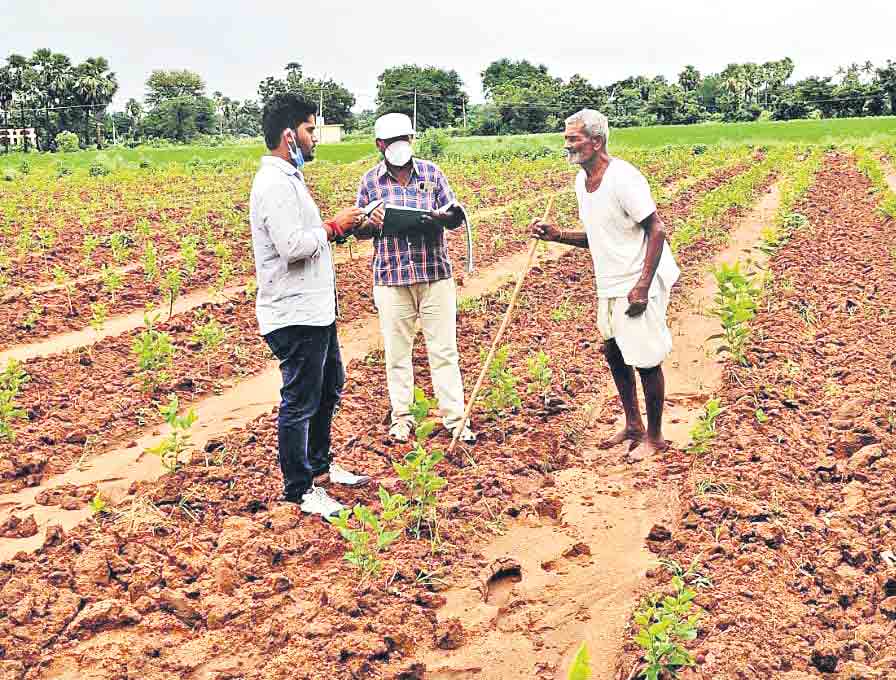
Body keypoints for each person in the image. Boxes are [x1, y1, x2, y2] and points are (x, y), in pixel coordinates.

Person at [531, 109, 680, 461]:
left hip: (637, 278)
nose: (567, 145)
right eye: (566, 138)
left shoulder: (623, 178)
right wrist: (557, 235)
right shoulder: (582, 182)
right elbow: (599, 237)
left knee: (645, 359)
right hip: (611, 280)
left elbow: (656, 229)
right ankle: (633, 424)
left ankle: (655, 437)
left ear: (596, 142)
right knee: (614, 352)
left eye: (574, 139)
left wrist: (643, 286)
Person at [249, 93, 370, 516]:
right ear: (289, 135)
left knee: (328, 387)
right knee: (301, 399)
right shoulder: (274, 185)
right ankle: (300, 489)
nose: (314, 138)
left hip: (315, 311)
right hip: (294, 314)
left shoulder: (288, 180)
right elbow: (292, 247)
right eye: (309, 130)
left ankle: (321, 467)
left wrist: (339, 228)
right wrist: (334, 226)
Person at [354, 112, 475, 444]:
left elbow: (453, 215)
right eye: (392, 142)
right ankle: (402, 419)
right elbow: (358, 231)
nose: (399, 147)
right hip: (391, 278)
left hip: (434, 273)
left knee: (444, 351)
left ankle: (455, 419)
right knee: (397, 354)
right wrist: (372, 223)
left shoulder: (432, 175)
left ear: (411, 140)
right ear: (380, 145)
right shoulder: (370, 182)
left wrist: (441, 217)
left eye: (404, 140)